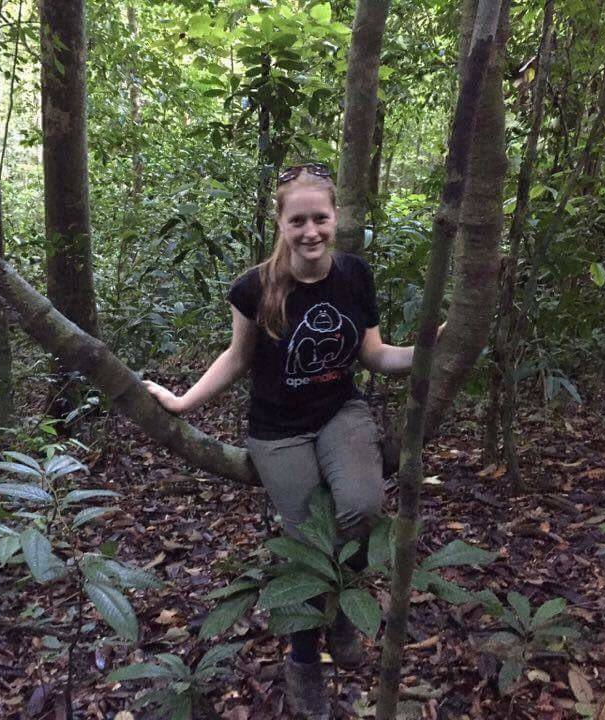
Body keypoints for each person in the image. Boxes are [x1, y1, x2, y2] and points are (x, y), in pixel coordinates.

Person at [145, 163, 434, 719]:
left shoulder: (354, 274)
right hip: (277, 430)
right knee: (307, 541)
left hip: (339, 411)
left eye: (320, 218)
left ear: (336, 218)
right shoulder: (254, 287)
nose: (310, 231)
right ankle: (304, 658)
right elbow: (237, 357)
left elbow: (374, 354)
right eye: (297, 220)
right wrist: (182, 402)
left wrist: (430, 350)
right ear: (280, 222)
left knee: (362, 508)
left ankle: (341, 613)